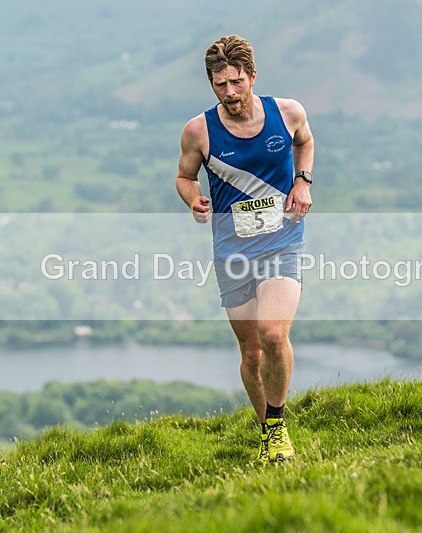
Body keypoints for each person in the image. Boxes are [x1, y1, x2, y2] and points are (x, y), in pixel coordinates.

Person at [175, 34, 314, 462]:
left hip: (282, 241)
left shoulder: (287, 113)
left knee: (274, 334)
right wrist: (194, 199)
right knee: (251, 351)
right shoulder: (199, 131)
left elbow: (305, 142)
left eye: (237, 82)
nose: (230, 93)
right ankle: (269, 431)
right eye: (220, 85)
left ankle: (277, 424)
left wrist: (302, 181)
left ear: (252, 77)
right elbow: (184, 177)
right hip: (232, 254)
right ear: (211, 84)